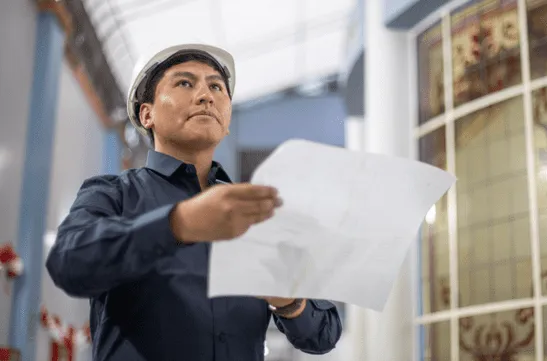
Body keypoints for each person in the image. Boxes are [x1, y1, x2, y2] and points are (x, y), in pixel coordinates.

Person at [46, 43, 342, 361]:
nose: (206, 96)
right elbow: (68, 263)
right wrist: (178, 224)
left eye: (216, 86)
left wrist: (289, 302)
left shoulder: (253, 212)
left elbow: (324, 334)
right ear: (147, 114)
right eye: (185, 83)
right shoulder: (114, 194)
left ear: (226, 120)